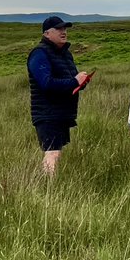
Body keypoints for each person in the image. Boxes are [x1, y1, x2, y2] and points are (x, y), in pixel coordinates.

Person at [27, 15, 91, 175]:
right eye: (59, 29)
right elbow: (46, 84)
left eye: (65, 28)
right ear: (46, 33)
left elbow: (71, 81)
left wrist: (81, 82)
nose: (64, 32)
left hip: (62, 113)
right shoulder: (39, 54)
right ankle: (48, 185)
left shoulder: (65, 54)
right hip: (47, 113)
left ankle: (50, 183)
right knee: (52, 153)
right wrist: (75, 81)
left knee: (56, 152)